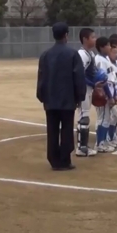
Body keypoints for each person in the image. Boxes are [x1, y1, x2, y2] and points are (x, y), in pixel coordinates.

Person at [36, 22, 86, 171]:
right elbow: (78, 77)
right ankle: (64, 159)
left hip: (50, 99)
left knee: (52, 130)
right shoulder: (72, 54)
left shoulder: (45, 55)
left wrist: (42, 96)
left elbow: (41, 77)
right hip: (67, 99)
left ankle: (53, 159)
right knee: (66, 129)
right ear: (66, 35)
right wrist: (80, 96)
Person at [75, 28, 101, 157]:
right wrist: (93, 84)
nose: (95, 39)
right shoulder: (83, 54)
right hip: (84, 89)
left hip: (89, 89)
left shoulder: (90, 53)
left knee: (85, 116)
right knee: (83, 116)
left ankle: (83, 146)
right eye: (93, 37)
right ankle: (82, 147)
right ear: (85, 39)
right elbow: (80, 74)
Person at [94, 37, 117, 153]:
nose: (110, 47)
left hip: (108, 92)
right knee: (103, 119)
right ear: (102, 47)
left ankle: (103, 141)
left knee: (105, 118)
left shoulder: (105, 59)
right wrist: (110, 96)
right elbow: (103, 81)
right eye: (108, 45)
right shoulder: (100, 60)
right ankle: (100, 143)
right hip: (103, 94)